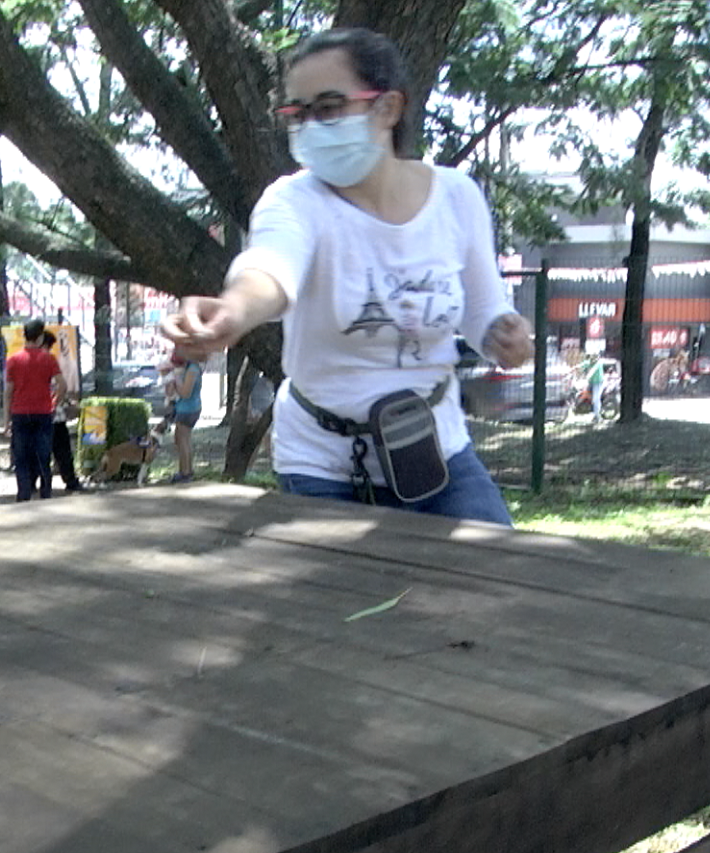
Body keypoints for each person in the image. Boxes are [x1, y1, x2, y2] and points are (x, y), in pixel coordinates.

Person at [161, 27, 533, 524]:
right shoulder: (293, 201)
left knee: (497, 584)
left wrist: (502, 333)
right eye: (298, 113)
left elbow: (483, 310)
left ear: (388, 109)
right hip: (324, 466)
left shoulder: (457, 196)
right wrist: (231, 312)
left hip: (438, 452)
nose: (310, 125)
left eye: (329, 107)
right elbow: (269, 270)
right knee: (337, 601)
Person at [3, 319, 69, 501]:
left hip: (20, 413)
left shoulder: (14, 360)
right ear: (40, 337)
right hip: (43, 413)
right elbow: (63, 385)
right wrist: (54, 403)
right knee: (43, 456)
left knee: (22, 457)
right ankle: (45, 494)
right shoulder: (49, 359)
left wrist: (6, 421)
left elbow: (8, 392)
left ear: (25, 336)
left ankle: (24, 494)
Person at [164, 349, 205, 482]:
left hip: (189, 409)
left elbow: (185, 392)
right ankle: (185, 470)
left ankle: (185, 473)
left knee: (183, 440)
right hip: (185, 408)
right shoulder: (187, 368)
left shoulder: (193, 369)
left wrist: (176, 380)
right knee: (181, 439)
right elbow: (171, 392)